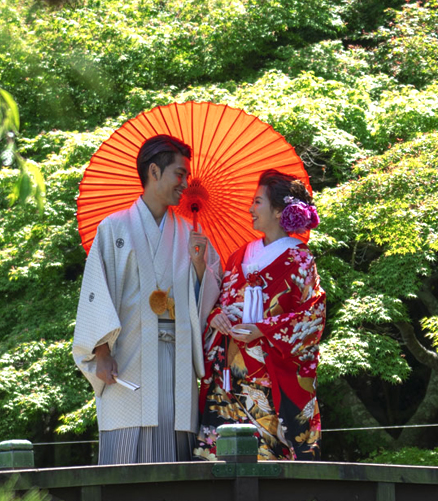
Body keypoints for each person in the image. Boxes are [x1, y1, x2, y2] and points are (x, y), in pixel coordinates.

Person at [73, 135, 223, 464]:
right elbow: (99, 292)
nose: (185, 183)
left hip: (176, 360)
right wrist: (101, 353)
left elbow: (212, 302)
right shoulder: (113, 229)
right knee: (126, 459)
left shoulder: (190, 236)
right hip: (127, 357)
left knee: (174, 453)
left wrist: (200, 270)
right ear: (154, 172)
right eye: (179, 174)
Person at [196, 171, 325, 461]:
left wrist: (263, 329)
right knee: (223, 458)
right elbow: (220, 301)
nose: (250, 209)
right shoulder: (239, 255)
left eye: (257, 202)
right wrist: (217, 316)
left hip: (273, 373)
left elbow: (311, 317)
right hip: (230, 378)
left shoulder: (300, 258)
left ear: (279, 211)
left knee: (272, 462)